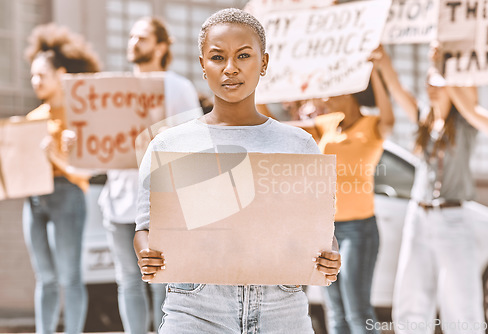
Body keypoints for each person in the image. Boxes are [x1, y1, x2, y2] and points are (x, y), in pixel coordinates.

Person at [133, 8, 341, 333]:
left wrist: (330, 256)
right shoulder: (168, 145)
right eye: (217, 57)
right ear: (203, 65)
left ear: (264, 63)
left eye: (243, 55)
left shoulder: (299, 145)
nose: (230, 68)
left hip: (282, 311)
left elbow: (320, 233)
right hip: (196, 311)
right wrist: (147, 253)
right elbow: (145, 228)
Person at [378, 42, 488, 334]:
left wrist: (447, 67)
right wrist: (382, 62)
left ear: (451, 86)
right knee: (411, 294)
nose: (431, 88)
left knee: (460, 298)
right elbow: (398, 89)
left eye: (438, 83)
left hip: (453, 218)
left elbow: (472, 106)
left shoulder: (466, 124)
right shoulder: (425, 121)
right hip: (418, 216)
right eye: (428, 82)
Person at [97, 17, 202, 334]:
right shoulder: (112, 91)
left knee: (161, 280)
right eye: (130, 36)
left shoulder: (179, 87)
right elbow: (98, 148)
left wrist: (169, 138)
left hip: (163, 204)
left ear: (161, 46)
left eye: (141, 37)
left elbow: (199, 140)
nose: (133, 42)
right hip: (118, 202)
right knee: (128, 281)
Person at [281, 46, 395, 334]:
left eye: (332, 92)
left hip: (359, 229)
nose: (326, 99)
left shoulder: (372, 125)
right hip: (326, 230)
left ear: (350, 94)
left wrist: (379, 73)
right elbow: (288, 128)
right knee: (336, 311)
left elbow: (389, 117)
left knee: (357, 310)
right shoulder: (327, 124)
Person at [24, 23, 100, 334]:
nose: (35, 81)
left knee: (69, 276)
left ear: (62, 75)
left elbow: (89, 168)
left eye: (41, 74)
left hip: (68, 195)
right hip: (34, 199)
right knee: (46, 277)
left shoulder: (80, 116)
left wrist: (58, 157)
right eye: (32, 75)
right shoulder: (31, 119)